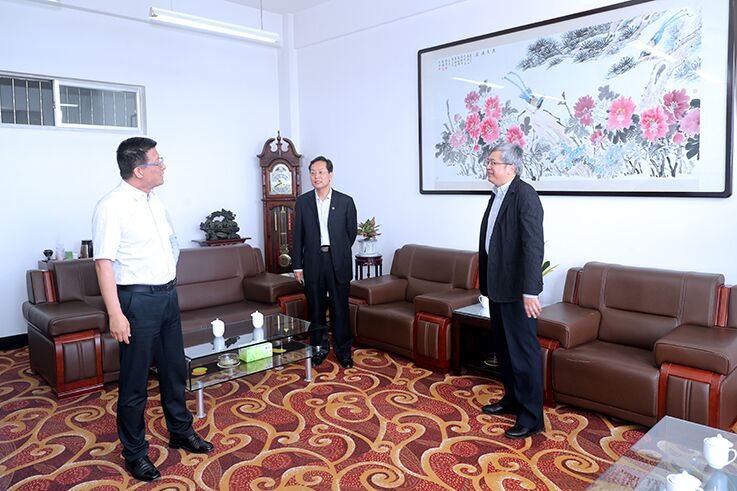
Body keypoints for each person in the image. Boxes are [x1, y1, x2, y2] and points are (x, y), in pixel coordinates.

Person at [92, 137, 212, 482]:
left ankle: (180, 431)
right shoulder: (112, 206)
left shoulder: (153, 201)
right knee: (135, 383)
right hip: (137, 301)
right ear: (139, 170)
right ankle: (135, 453)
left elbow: (170, 244)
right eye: (158, 161)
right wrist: (116, 313)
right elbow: (103, 263)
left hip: (166, 297)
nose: (164, 166)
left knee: (174, 371)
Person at [478, 143, 545, 440]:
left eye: (493, 162)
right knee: (504, 350)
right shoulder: (497, 195)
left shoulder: (525, 195)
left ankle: (531, 418)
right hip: (498, 287)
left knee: (523, 354)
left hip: (518, 291)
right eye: (488, 162)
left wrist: (530, 291)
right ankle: (512, 400)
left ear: (511, 167)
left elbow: (533, 245)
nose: (488, 166)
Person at [293, 156, 358, 368]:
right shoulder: (303, 202)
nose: (316, 176)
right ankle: (319, 349)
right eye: (313, 172)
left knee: (340, 309)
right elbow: (298, 236)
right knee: (316, 309)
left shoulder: (345, 202)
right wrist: (297, 266)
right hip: (313, 261)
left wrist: (338, 250)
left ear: (330, 175)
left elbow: (351, 234)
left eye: (321, 172)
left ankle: (343, 352)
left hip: (337, 261)